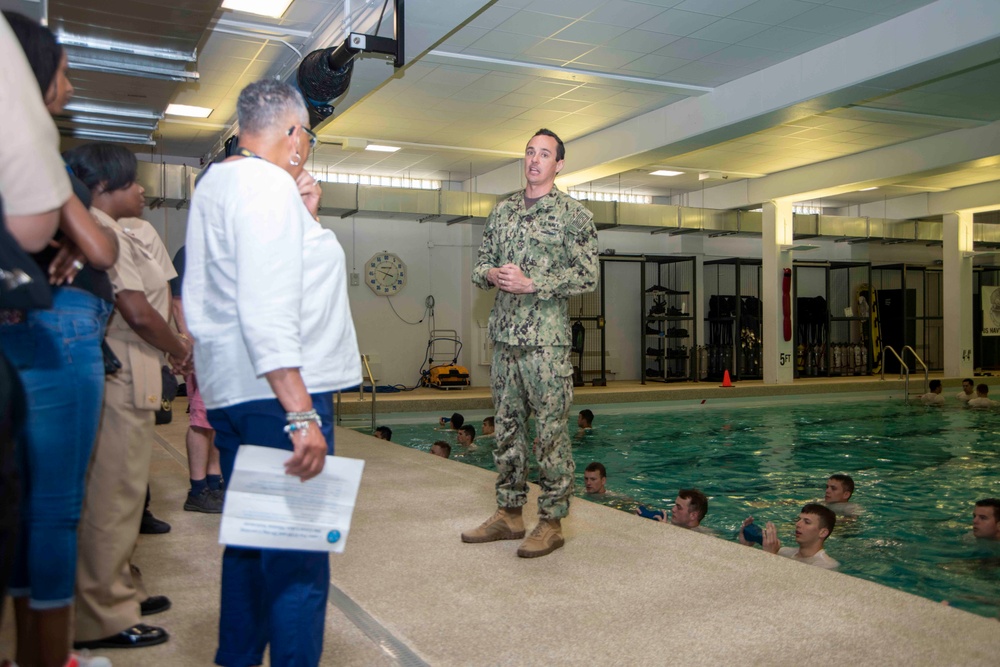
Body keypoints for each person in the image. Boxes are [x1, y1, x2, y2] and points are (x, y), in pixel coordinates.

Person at [184, 79, 361, 667]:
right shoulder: (262, 186)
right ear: (291, 135)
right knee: (299, 566)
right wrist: (301, 411)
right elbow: (264, 305)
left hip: (237, 391)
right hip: (277, 395)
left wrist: (305, 213)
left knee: (250, 548)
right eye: (307, 136)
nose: (306, 149)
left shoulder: (225, 182)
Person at [1, 13, 117, 667]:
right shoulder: (32, 146)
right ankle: (53, 657)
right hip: (59, 335)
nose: (68, 89)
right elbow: (98, 243)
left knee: (19, 502)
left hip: (20, 334)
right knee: (55, 509)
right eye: (64, 73)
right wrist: (77, 236)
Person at [65, 144, 191, 652]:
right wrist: (180, 346)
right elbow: (137, 311)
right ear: (102, 188)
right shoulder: (99, 231)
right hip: (121, 365)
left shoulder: (117, 230)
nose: (141, 189)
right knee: (112, 497)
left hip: (139, 364)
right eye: (131, 182)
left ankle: (118, 591)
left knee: (123, 492)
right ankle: (102, 617)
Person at [463, 128, 598, 558]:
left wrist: (533, 281)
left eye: (544, 154)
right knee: (505, 429)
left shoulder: (575, 216)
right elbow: (479, 263)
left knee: (550, 434)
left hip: (546, 344)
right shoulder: (501, 213)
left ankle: (552, 521)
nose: (534, 160)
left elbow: (588, 276)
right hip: (503, 338)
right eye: (529, 152)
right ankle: (508, 514)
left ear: (558, 165)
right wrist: (491, 275)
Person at [170, 245, 223, 513]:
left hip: (224, 348)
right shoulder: (192, 250)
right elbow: (177, 302)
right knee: (201, 420)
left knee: (217, 420)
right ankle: (198, 488)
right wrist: (188, 344)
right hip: (203, 347)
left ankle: (214, 483)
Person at [739, 504, 839, 570]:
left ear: (823, 532)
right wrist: (746, 548)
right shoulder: (784, 552)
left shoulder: (826, 565)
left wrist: (770, 556)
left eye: (807, 522)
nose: (798, 524)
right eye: (799, 519)